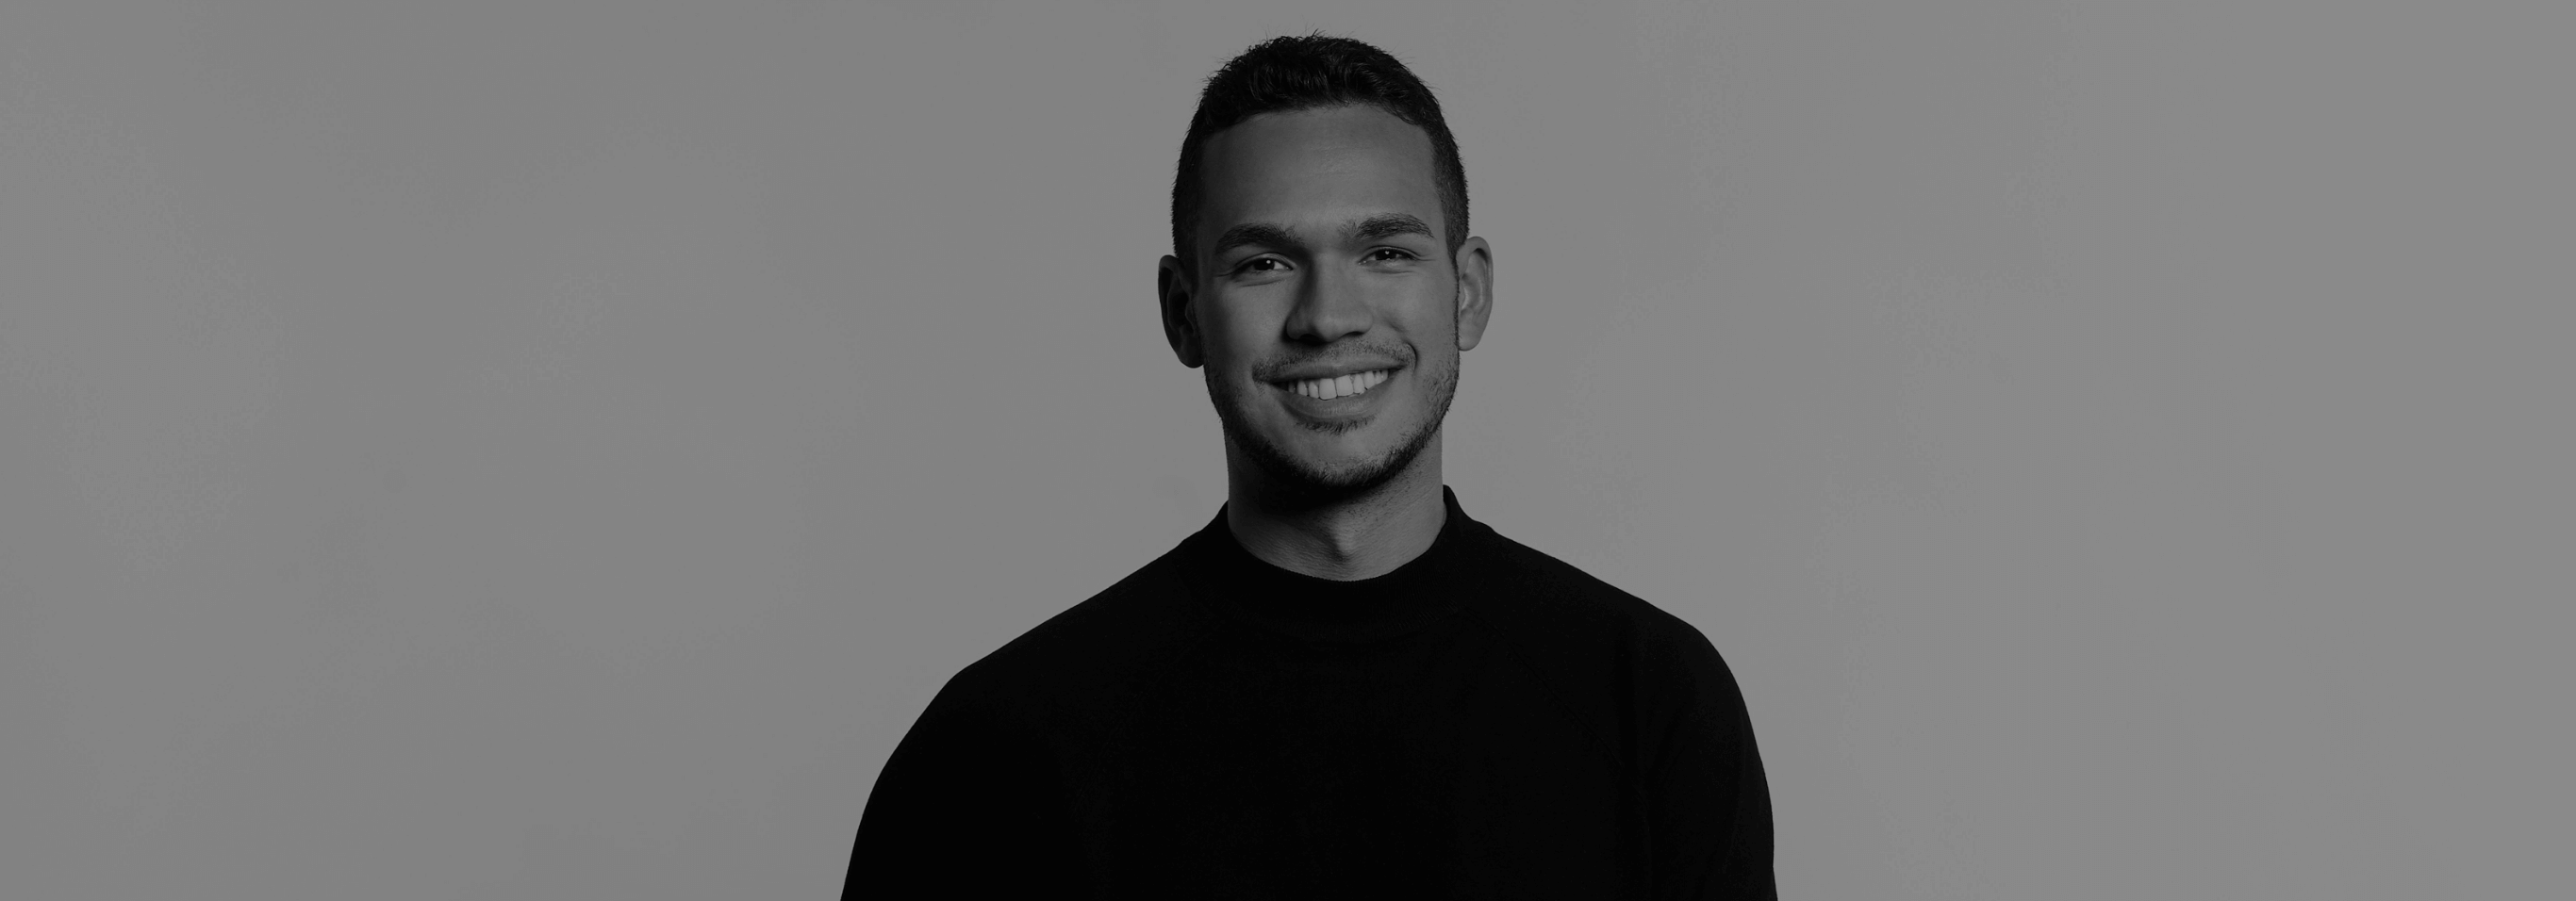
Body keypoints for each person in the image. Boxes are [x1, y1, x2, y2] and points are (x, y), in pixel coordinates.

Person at [845, 33, 1774, 898]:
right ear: (1182, 312)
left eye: (1385, 251)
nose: (1327, 316)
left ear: (1468, 292)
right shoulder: (997, 750)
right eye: (1263, 263)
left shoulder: (1650, 702)